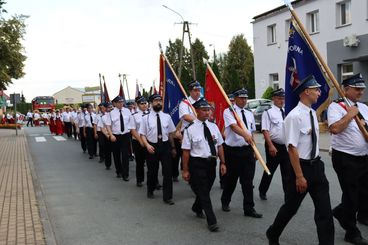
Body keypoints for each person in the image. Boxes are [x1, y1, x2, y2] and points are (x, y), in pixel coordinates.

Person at [266, 75, 334, 245]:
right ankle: (273, 232)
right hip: (300, 169)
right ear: (306, 92)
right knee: (291, 208)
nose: (319, 93)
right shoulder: (293, 117)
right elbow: (291, 148)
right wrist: (299, 176)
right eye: (316, 90)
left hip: (317, 166)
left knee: (324, 212)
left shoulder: (311, 113)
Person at [327, 73, 368, 245]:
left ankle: (345, 212)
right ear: (345, 89)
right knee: (351, 195)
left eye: (362, 89)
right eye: (357, 89)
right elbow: (335, 129)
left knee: (365, 192)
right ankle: (351, 232)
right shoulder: (336, 107)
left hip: (363, 157)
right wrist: (350, 114)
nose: (360, 92)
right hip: (345, 158)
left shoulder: (364, 107)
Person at [182, 97, 226, 232]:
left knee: (206, 189)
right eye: (204, 110)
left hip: (211, 163)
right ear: (197, 111)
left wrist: (223, 163)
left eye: (209, 110)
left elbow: (219, 146)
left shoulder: (213, 127)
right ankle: (211, 221)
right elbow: (186, 152)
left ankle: (196, 207)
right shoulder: (190, 129)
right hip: (197, 163)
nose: (207, 113)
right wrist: (185, 170)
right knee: (204, 193)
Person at [220, 88, 262, 218]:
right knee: (231, 180)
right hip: (233, 151)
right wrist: (245, 135)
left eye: (245, 98)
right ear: (235, 98)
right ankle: (225, 201)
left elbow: (252, 132)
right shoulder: (229, 112)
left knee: (248, 181)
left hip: (247, 151)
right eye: (241, 98)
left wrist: (255, 149)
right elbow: (233, 127)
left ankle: (249, 208)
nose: (244, 100)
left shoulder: (249, 113)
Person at [139, 94, 176, 205]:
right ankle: (150, 190)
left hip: (165, 146)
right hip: (152, 146)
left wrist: (173, 147)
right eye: (156, 101)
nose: (158, 102)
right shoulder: (145, 118)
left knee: (168, 172)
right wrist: (147, 145)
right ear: (151, 103)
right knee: (152, 171)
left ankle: (167, 197)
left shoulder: (167, 117)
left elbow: (170, 134)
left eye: (160, 100)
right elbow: (142, 134)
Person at [258, 88, 290, 201]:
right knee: (270, 170)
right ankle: (262, 190)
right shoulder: (268, 112)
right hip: (273, 145)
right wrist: (270, 145)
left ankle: (288, 196)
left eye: (283, 98)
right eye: (279, 98)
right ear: (273, 99)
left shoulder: (287, 111)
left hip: (285, 146)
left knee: (287, 172)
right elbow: (265, 130)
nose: (282, 101)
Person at [105, 96, 141, 181]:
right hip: (115, 136)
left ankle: (125, 174)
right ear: (115, 103)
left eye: (122, 102)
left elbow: (131, 123)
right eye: (119, 102)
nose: (121, 104)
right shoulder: (111, 113)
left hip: (125, 135)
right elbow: (108, 125)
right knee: (116, 155)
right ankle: (119, 171)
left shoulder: (127, 111)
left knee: (125, 155)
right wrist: (111, 135)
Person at [173, 81, 202, 182]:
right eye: (195, 90)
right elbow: (185, 116)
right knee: (187, 155)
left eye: (199, 90)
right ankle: (186, 173)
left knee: (197, 155)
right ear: (190, 91)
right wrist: (200, 119)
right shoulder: (185, 103)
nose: (197, 93)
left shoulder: (203, 102)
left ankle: (196, 176)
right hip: (188, 134)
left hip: (200, 133)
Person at [132, 96, 149, 187]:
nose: (144, 105)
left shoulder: (151, 114)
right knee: (140, 162)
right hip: (138, 141)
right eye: (142, 103)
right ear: (138, 105)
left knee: (151, 162)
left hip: (149, 141)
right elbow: (133, 130)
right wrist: (141, 140)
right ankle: (140, 180)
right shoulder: (134, 116)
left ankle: (154, 181)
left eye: (145, 103)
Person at [100, 102, 113, 170]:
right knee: (107, 151)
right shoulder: (103, 117)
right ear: (104, 108)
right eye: (108, 107)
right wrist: (107, 135)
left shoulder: (115, 115)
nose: (110, 108)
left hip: (116, 135)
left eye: (111, 107)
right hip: (107, 136)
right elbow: (102, 128)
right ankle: (108, 164)